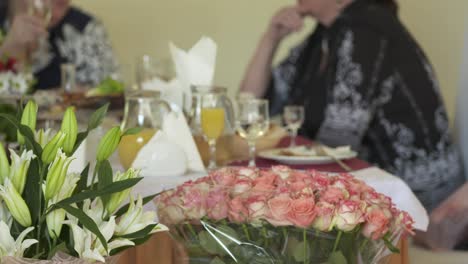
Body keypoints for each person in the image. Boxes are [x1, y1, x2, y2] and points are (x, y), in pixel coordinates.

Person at [240, 0, 465, 214]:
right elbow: (249, 108)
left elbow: (338, 141)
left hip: (421, 200)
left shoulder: (367, 30)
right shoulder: (322, 37)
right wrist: (270, 39)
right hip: (371, 189)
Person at [0, 0, 118, 90]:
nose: (55, 13)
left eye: (61, 4)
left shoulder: (83, 28)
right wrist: (9, 51)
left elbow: (111, 92)